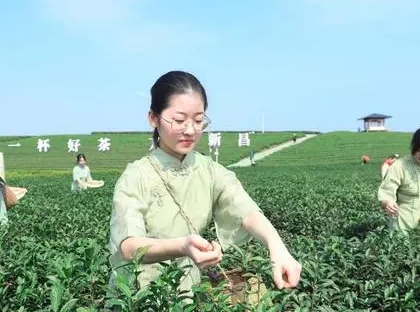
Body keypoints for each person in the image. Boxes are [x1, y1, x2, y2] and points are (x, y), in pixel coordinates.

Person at [108, 70, 301, 296]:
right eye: (179, 120)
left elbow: (244, 210)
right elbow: (129, 246)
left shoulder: (208, 170)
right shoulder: (136, 176)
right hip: (138, 301)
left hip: (186, 298)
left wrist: (277, 248)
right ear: (153, 118)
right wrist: (183, 246)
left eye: (198, 120)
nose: (190, 130)